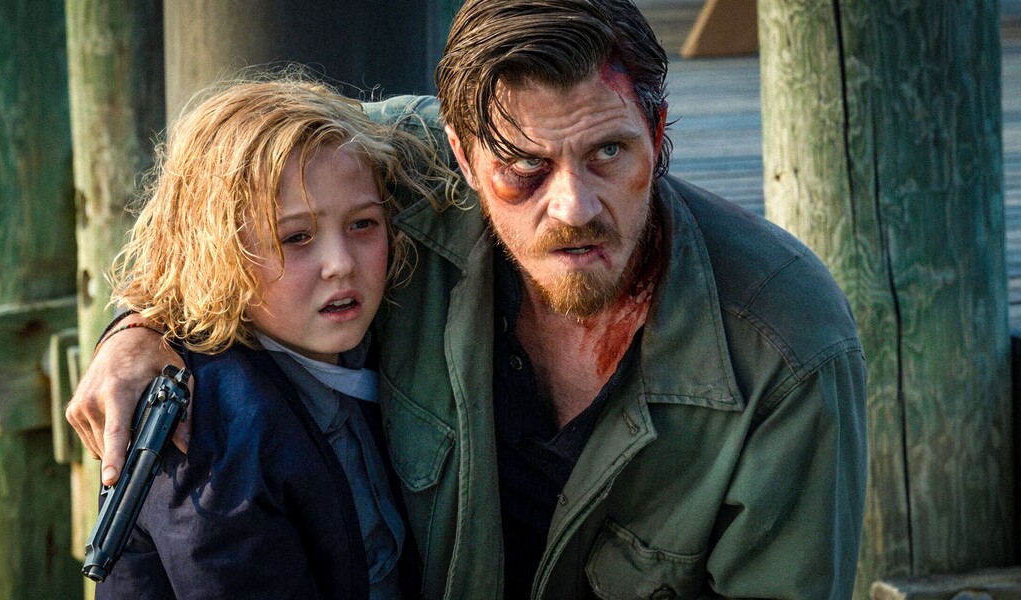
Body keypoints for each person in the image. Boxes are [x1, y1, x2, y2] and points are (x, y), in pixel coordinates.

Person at [67, 1, 868, 598]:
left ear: (657, 135)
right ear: (460, 153)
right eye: (523, 168)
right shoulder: (399, 163)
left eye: (610, 152)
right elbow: (214, 203)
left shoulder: (787, 351)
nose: (574, 205)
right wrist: (137, 327)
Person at [90, 77, 449, 599]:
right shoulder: (208, 431)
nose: (341, 264)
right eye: (296, 237)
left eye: (363, 224)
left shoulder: (360, 344)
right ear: (219, 252)